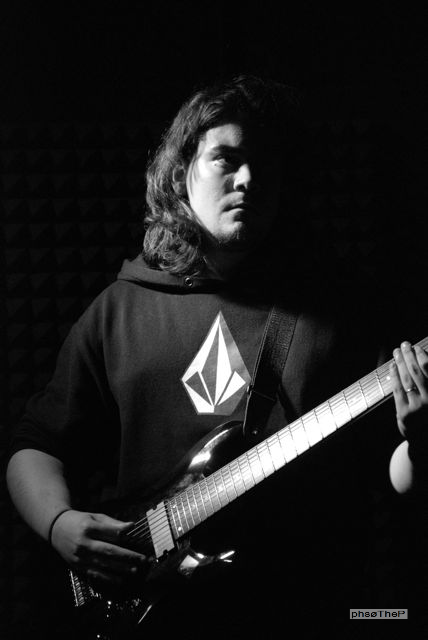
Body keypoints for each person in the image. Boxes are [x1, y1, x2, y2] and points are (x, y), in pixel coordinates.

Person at [6, 75, 428, 640]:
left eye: (266, 166)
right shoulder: (121, 309)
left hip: (304, 612)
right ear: (181, 172)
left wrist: (421, 441)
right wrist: (58, 524)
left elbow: (394, 474)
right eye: (226, 158)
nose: (248, 179)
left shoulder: (340, 308)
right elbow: (36, 446)